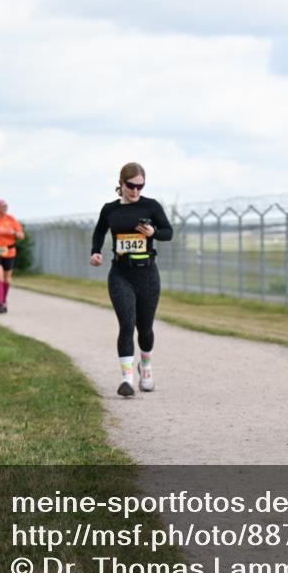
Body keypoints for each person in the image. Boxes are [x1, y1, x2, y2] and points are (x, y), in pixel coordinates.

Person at [90, 162, 173, 397]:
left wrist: (153, 233)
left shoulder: (151, 206)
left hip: (147, 273)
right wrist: (95, 251)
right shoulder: (110, 209)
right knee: (126, 324)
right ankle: (126, 379)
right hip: (120, 274)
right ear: (121, 183)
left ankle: (145, 368)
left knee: (144, 328)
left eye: (140, 186)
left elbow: (168, 232)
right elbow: (99, 231)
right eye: (130, 186)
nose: (135, 191)